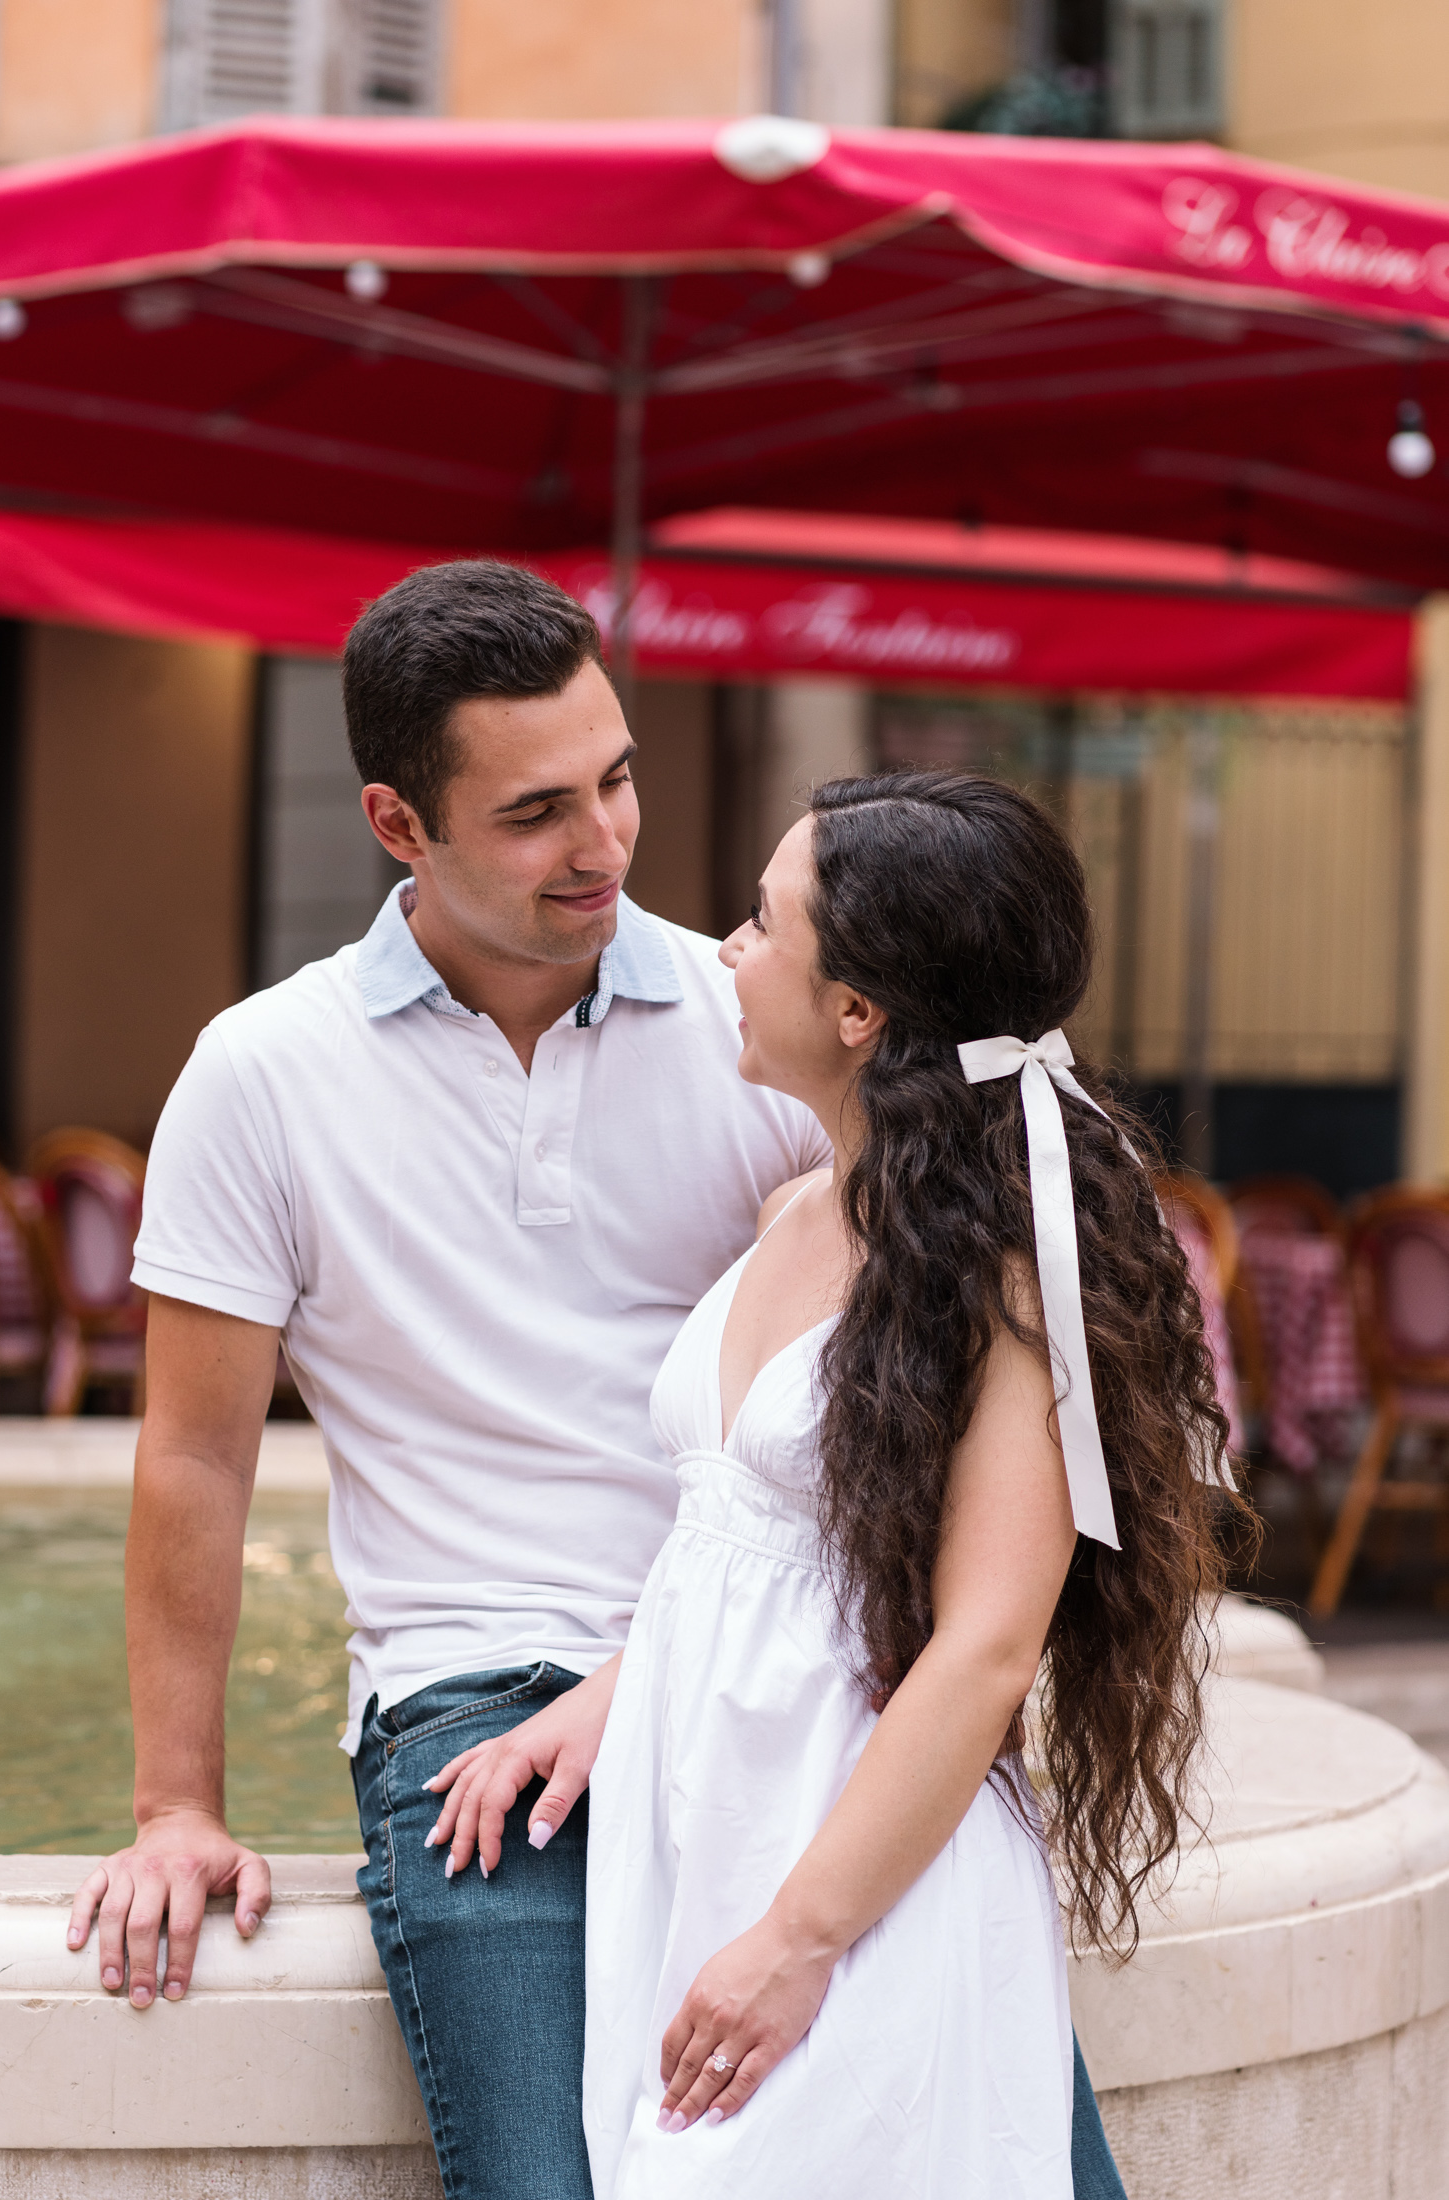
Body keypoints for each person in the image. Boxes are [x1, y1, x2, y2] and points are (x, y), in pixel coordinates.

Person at [64, 564, 1132, 2200]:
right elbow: (196, 1459)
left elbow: (950, 1334)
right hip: (470, 1701)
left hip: (795, 1682)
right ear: (397, 823)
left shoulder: (763, 1028)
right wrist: (172, 1805)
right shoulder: (261, 1076)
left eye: (619, 777)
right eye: (537, 810)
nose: (608, 843)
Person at [430, 770, 1231, 2195]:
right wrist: (604, 1705)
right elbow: (755, 1542)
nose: (726, 951)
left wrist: (798, 1943)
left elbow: (985, 1651)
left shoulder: (1006, 1275)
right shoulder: (792, 1208)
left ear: (858, 1010)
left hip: (858, 1877)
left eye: (761, 921)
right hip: (704, 1830)